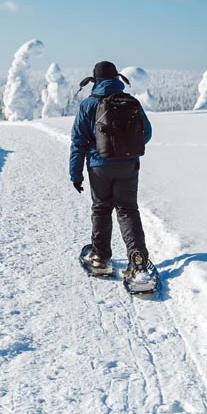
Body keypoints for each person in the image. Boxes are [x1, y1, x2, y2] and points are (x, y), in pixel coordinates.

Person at [69, 61, 153, 277]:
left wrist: (75, 174)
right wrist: (126, 149)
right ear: (116, 78)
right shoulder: (131, 101)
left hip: (99, 168)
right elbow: (147, 134)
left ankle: (100, 256)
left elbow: (78, 142)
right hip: (128, 166)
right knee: (128, 211)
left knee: (101, 209)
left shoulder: (88, 105)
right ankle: (138, 261)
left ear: (94, 80)